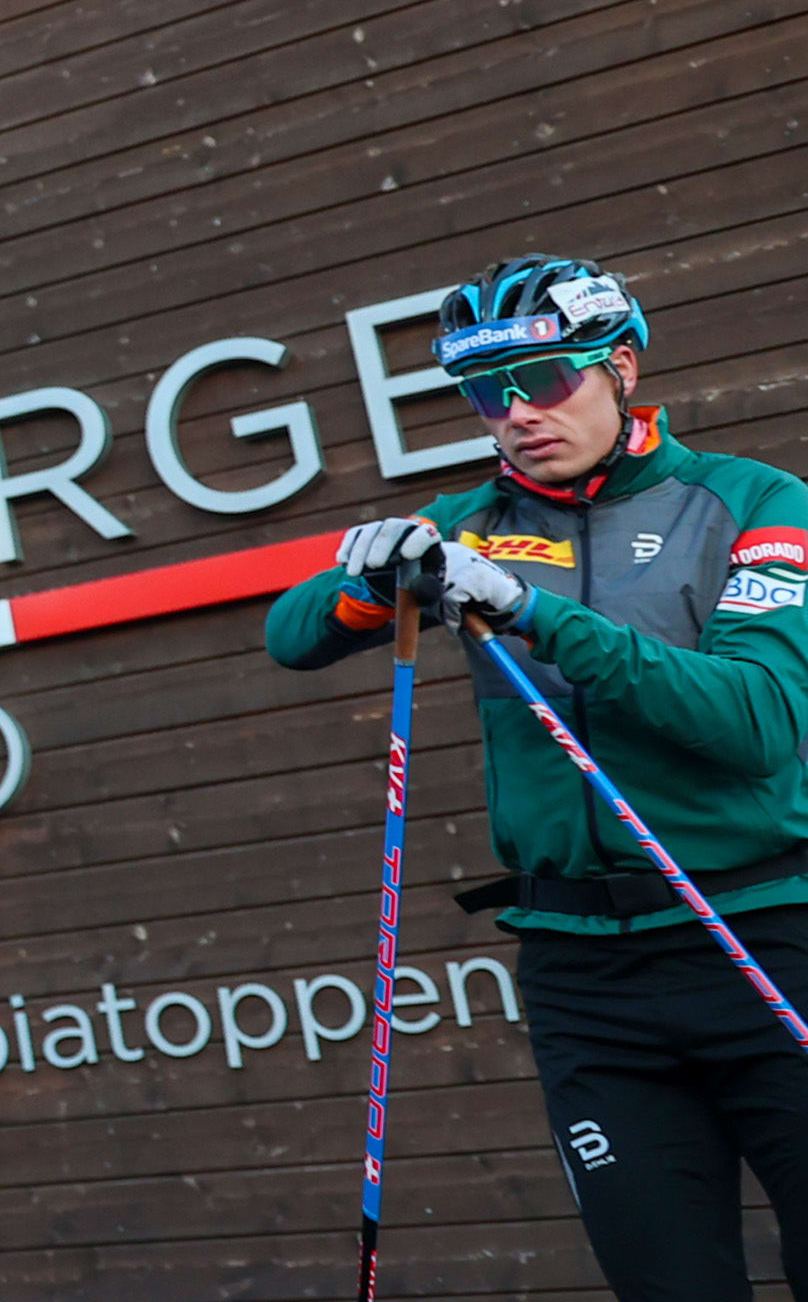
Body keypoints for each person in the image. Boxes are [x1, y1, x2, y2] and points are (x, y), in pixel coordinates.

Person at [268, 254, 808, 1301]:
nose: (518, 413)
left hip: (762, 934)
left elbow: (754, 721)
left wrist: (530, 610)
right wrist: (371, 578)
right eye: (487, 393)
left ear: (622, 367)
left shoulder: (752, 501)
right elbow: (293, 637)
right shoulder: (467, 520)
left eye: (547, 379)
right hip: (584, 973)